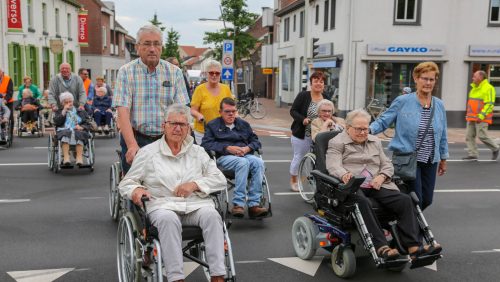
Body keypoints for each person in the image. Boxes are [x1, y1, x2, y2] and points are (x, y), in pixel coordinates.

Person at [119, 104, 226, 282]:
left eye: (182, 125)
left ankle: (218, 275)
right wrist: (136, 190)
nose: (177, 128)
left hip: (195, 205)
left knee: (212, 215)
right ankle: (176, 278)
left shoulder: (198, 152)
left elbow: (219, 179)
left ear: (188, 128)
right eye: (173, 123)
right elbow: (127, 182)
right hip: (162, 205)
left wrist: (194, 184)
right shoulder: (147, 153)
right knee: (168, 220)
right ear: (164, 126)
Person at [327, 109, 442, 262]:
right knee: (362, 203)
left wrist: (382, 176)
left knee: (405, 200)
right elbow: (333, 165)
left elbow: (387, 164)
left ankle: (414, 247)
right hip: (353, 186)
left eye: (365, 128)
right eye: (359, 129)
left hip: (376, 184)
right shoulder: (337, 142)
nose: (363, 132)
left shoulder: (375, 141)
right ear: (348, 128)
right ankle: (382, 247)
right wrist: (343, 174)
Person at [370, 61, 449, 210]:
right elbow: (383, 121)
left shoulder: (438, 104)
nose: (428, 82)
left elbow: (443, 133)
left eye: (431, 79)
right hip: (407, 158)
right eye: (424, 78)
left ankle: (407, 224)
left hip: (430, 159)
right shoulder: (403, 101)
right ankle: (412, 231)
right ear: (416, 78)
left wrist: (443, 158)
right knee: (415, 199)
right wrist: (365, 130)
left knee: (427, 200)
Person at [113, 25, 190, 174]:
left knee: (172, 181)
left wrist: (185, 142)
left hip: (167, 138)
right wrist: (131, 145)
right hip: (137, 136)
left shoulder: (174, 73)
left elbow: (182, 112)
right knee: (136, 186)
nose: (152, 49)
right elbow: (123, 111)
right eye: (147, 44)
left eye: (156, 44)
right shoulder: (126, 72)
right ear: (137, 47)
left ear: (162, 47)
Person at [202, 97, 268, 218]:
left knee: (258, 162)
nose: (231, 114)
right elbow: (206, 144)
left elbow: (255, 141)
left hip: (245, 154)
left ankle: (254, 204)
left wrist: (248, 148)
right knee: (242, 163)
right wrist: (227, 148)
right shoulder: (213, 125)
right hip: (224, 157)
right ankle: (238, 204)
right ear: (220, 112)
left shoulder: (243, 124)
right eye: (227, 111)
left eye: (233, 111)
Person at [289, 71, 325, 191]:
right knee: (299, 157)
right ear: (311, 83)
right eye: (316, 81)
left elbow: (330, 112)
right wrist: (303, 119)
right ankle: (294, 180)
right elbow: (293, 111)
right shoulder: (303, 95)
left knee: (320, 159)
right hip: (303, 133)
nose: (319, 84)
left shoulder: (326, 98)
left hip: (319, 134)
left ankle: (315, 179)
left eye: (321, 81)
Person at [190, 59, 233, 145]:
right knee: (206, 155)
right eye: (211, 73)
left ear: (220, 74)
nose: (214, 75)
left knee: (222, 155)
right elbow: (193, 110)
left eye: (217, 73)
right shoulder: (200, 89)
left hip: (222, 130)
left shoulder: (226, 88)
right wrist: (199, 116)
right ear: (206, 74)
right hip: (203, 131)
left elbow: (231, 107)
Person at [463, 70, 500, 161]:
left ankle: (495, 148)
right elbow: (472, 104)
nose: (473, 78)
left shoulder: (489, 88)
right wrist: (468, 115)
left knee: (482, 135)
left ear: (480, 78)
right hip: (471, 117)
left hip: (482, 117)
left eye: (474, 76)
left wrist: (481, 116)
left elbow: (490, 104)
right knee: (469, 136)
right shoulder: (474, 88)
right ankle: (473, 154)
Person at [53, 92, 91, 166]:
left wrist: (81, 127)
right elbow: (57, 122)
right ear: (62, 103)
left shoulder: (80, 111)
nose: (68, 103)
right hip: (64, 129)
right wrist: (63, 111)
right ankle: (66, 157)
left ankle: (79, 157)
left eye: (70, 101)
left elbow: (88, 124)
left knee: (80, 134)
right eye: (66, 102)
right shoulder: (59, 111)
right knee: (65, 134)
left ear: (73, 101)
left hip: (78, 130)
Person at [0, 67, 14, 137]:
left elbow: (10, 92)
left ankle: (10, 134)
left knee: (10, 117)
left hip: (8, 101)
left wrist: (5, 99)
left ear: (2, 73)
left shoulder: (8, 79)